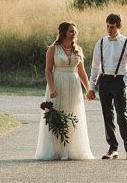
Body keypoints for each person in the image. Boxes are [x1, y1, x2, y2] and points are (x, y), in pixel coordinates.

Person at [35, 21, 95, 160]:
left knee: (72, 115)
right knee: (57, 115)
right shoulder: (53, 49)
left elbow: (82, 72)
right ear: (63, 33)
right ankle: (55, 150)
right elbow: (48, 70)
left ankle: (71, 150)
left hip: (73, 84)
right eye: (71, 31)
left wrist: (89, 89)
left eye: (75, 31)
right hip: (58, 83)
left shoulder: (77, 49)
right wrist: (52, 88)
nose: (74, 34)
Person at [87, 13, 127, 159]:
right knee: (107, 115)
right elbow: (95, 66)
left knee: (122, 114)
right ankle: (112, 148)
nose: (109, 30)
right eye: (108, 26)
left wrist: (124, 81)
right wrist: (91, 87)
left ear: (119, 26)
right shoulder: (101, 43)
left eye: (113, 27)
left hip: (119, 80)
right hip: (104, 80)